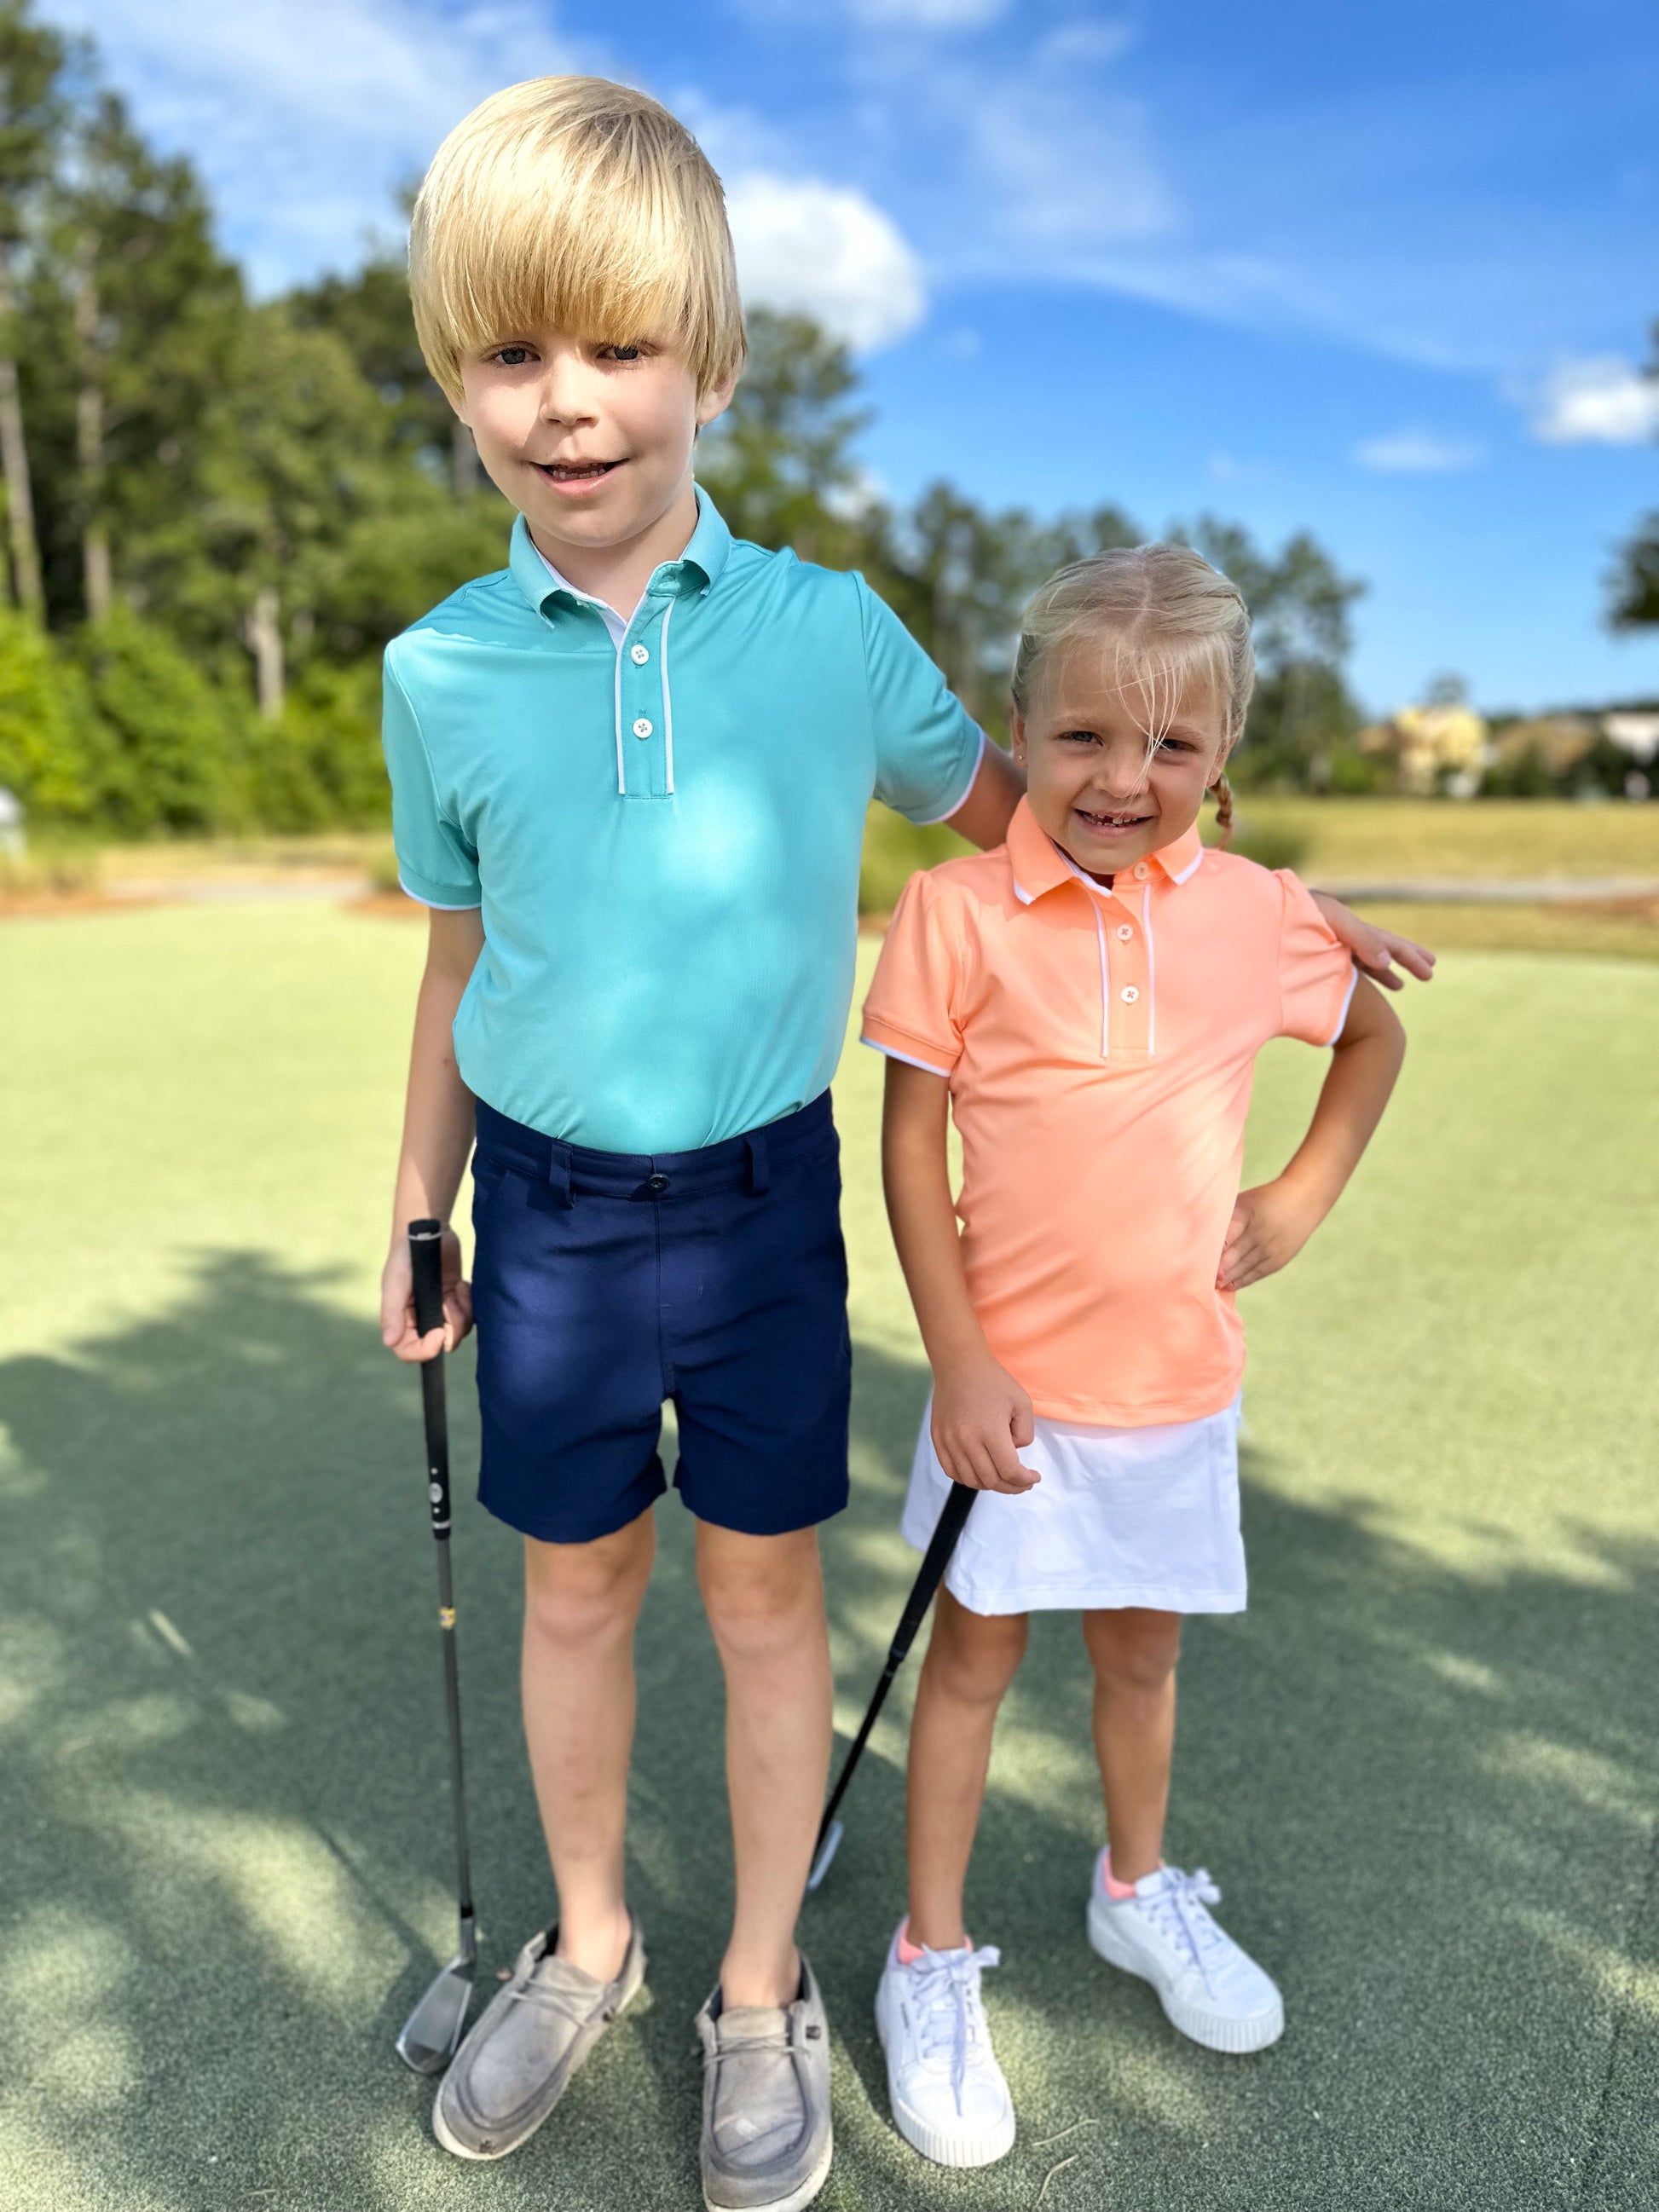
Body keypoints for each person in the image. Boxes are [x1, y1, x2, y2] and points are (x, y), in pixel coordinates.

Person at [377, 75, 1425, 2209]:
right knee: (573, 1598)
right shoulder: (439, 669)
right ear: (456, 380)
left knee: (771, 1605)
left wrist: (1277, 912)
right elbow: (461, 959)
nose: (568, 406)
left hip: (763, 1207)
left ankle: (759, 1981)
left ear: (715, 363)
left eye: (620, 350)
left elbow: (1053, 828)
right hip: (553, 1224)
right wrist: (417, 1198)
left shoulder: (831, 628)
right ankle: (590, 1943)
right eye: (511, 355)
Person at [860, 545, 1408, 2169]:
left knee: (1141, 1661)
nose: (1125, 778)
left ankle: (1132, 1892)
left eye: (1173, 747)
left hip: (1173, 1385)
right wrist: (954, 1363)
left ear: (1224, 754)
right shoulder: (951, 912)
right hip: (1006, 1399)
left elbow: (1374, 1030)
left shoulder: (1259, 915)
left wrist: (1299, 1193)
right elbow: (905, 1156)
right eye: (1086, 735)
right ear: (1019, 723)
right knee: (969, 1671)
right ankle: (927, 1960)